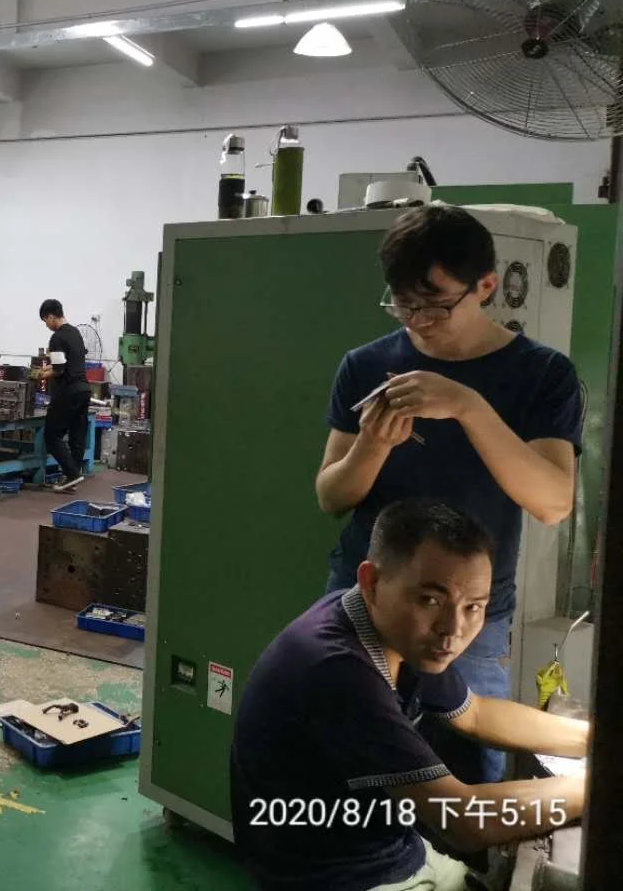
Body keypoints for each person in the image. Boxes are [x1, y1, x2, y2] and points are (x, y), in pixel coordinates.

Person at [315, 204, 582, 784]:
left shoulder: (542, 375)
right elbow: (331, 495)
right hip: (370, 602)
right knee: (352, 762)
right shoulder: (367, 366)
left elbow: (552, 501)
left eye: (433, 304)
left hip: (470, 619)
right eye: (401, 303)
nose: (416, 320)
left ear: (485, 286)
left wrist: (467, 407)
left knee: (465, 767)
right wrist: (372, 447)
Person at [230, 498, 589, 891]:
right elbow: (464, 821)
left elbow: (477, 714)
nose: (452, 628)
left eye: (474, 607)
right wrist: (595, 785)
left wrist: (593, 739)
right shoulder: (337, 671)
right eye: (430, 600)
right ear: (371, 583)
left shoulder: (389, 629)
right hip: (339, 877)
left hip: (390, 848)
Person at [37, 299, 91, 493]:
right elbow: (69, 363)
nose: (47, 325)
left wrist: (42, 374)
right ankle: (72, 478)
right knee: (76, 436)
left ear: (51, 316)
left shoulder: (57, 338)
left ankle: (72, 474)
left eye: (45, 321)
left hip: (68, 391)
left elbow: (59, 369)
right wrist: (49, 368)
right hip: (84, 389)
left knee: (51, 435)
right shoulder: (75, 333)